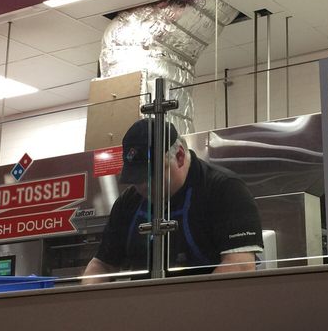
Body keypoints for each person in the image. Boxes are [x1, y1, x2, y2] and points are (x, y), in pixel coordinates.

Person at [83, 120, 263, 280]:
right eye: (136, 179)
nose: (143, 186)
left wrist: (180, 306)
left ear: (179, 156)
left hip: (207, 304)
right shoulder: (128, 203)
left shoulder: (225, 189)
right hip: (144, 304)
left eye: (151, 176)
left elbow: (240, 265)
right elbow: (101, 265)